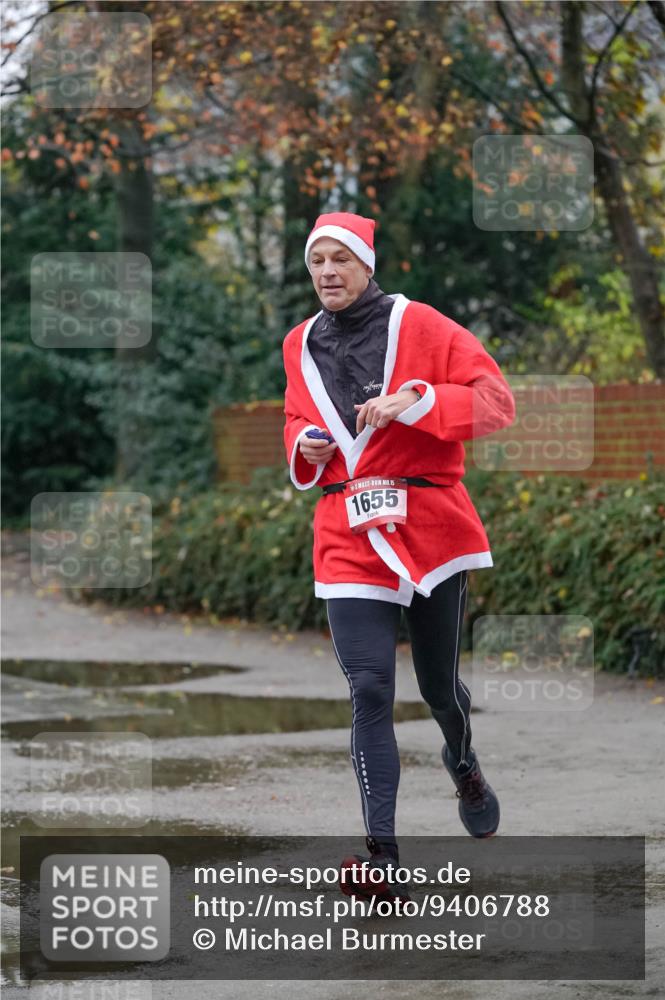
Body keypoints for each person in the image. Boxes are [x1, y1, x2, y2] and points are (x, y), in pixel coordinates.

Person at [281, 212, 515, 905]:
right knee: (370, 689)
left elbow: (495, 404)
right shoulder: (298, 343)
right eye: (316, 260)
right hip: (347, 535)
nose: (326, 271)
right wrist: (306, 447)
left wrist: (417, 400)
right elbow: (296, 419)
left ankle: (464, 764)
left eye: (339, 259)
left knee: (438, 690)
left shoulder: (423, 325)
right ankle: (381, 857)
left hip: (429, 526)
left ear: (366, 264)